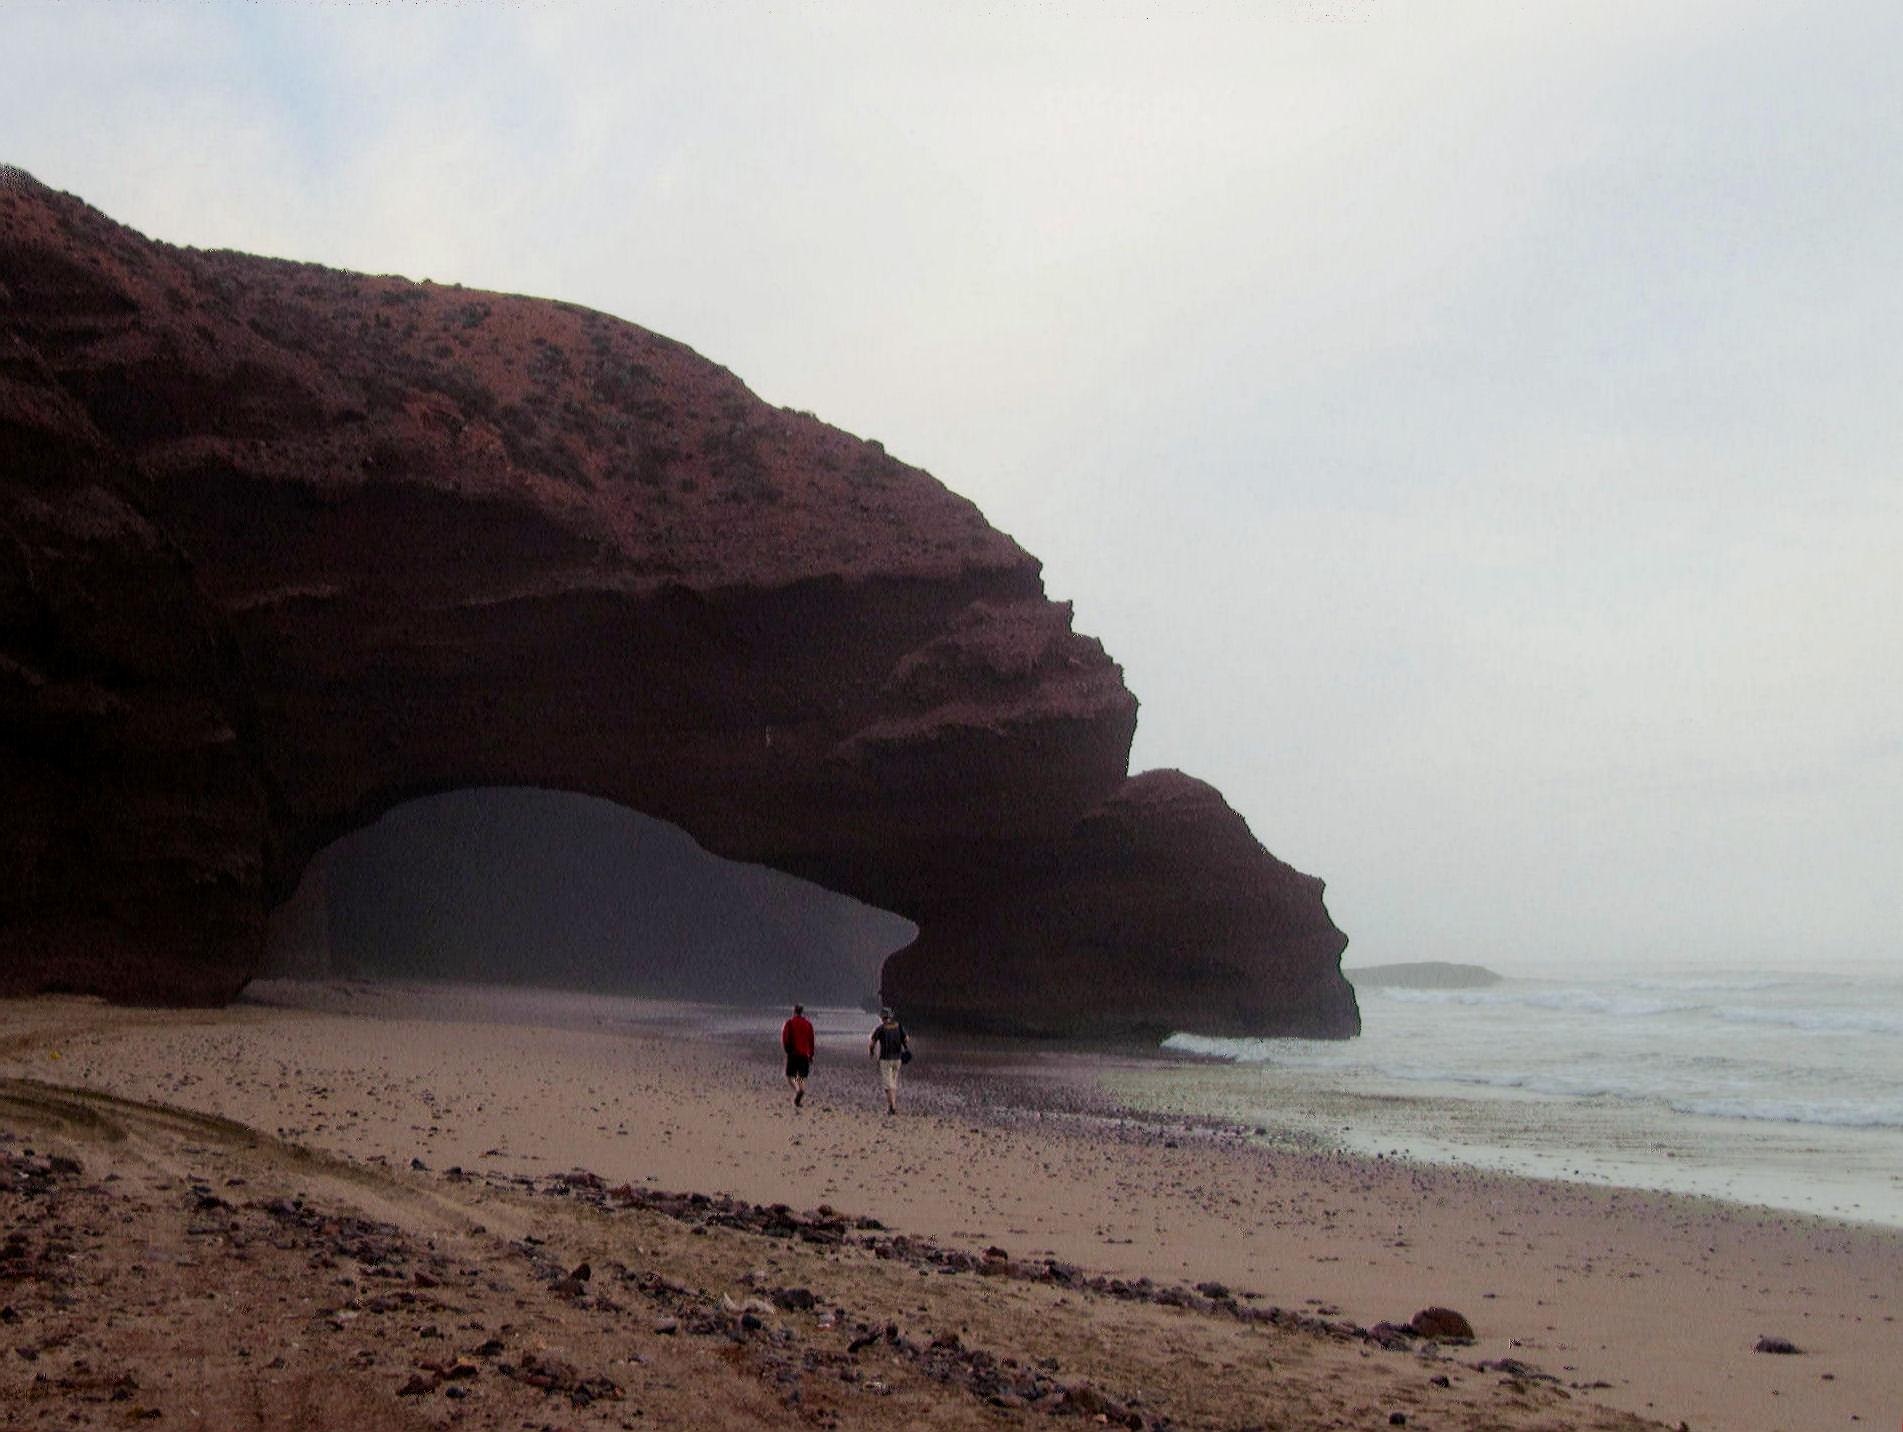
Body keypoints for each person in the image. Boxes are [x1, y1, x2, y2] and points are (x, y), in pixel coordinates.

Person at [867, 1007, 910, 1115]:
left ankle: (892, 1107)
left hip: (885, 1059)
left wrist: (871, 1053)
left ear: (882, 1018)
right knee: (893, 1083)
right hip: (897, 1059)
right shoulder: (899, 1026)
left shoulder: (880, 1028)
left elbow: (872, 1043)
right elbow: (906, 1039)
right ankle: (892, 1105)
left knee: (887, 1085)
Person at [781, 1003, 815, 1108]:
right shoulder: (808, 1024)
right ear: (802, 1011)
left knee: (789, 1076)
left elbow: (784, 1039)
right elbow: (811, 1040)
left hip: (793, 1054)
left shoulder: (789, 1023)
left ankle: (797, 1089)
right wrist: (811, 1055)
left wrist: (787, 1051)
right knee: (800, 1076)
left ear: (794, 1011)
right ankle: (801, 1089)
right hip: (804, 1055)